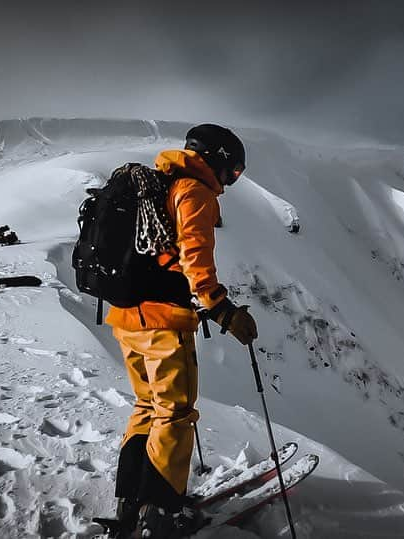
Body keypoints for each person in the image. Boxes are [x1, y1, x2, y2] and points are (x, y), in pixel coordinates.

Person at [104, 124, 258, 537]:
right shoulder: (193, 192)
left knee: (147, 408)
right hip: (162, 324)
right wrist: (224, 311)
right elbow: (195, 260)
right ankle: (162, 514)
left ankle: (131, 503)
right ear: (219, 159)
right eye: (235, 171)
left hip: (126, 317)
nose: (232, 181)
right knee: (174, 412)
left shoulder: (156, 185)